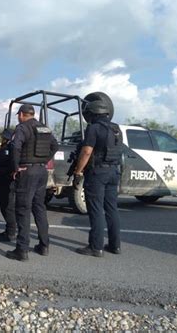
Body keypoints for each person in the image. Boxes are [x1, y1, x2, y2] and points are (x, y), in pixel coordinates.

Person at [6, 104, 59, 261]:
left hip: (26, 172)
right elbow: (55, 146)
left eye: (18, 115)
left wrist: (16, 168)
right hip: (42, 172)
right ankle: (44, 245)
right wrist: (43, 161)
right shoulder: (45, 128)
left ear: (22, 114)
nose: (18, 117)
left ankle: (21, 250)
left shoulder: (22, 128)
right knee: (39, 208)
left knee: (23, 209)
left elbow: (15, 147)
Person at [73, 93, 123, 257]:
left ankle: (96, 247)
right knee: (111, 209)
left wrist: (78, 171)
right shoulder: (116, 129)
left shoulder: (93, 128)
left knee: (95, 210)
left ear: (92, 114)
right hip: (114, 171)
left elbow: (87, 152)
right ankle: (115, 246)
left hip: (98, 172)